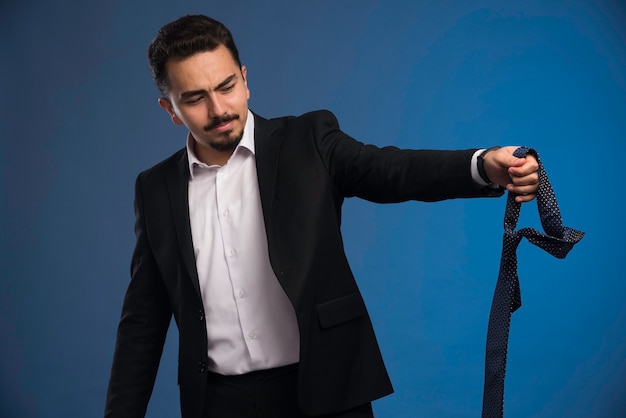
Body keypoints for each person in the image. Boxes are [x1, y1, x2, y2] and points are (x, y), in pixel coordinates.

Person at [104, 14, 539, 418]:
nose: (218, 109)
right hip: (217, 402)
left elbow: (392, 170)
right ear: (170, 110)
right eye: (195, 98)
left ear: (245, 80)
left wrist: (483, 165)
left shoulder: (308, 140)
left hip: (325, 390)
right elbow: (143, 319)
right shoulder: (155, 188)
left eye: (226, 86)